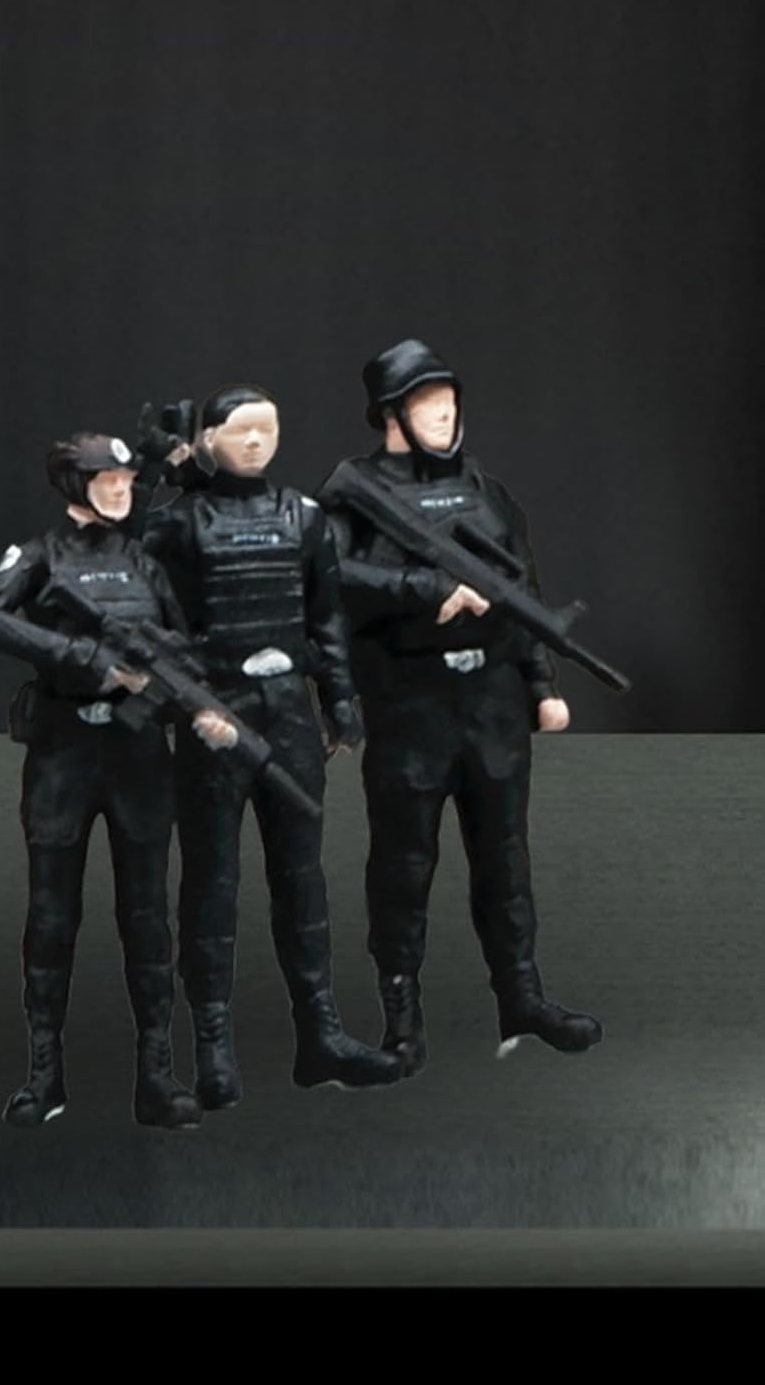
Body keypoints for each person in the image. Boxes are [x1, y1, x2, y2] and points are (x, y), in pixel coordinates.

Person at [317, 338, 603, 1074]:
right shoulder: (353, 495)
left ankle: (522, 997)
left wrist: (542, 685)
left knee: (505, 859)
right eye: (426, 404)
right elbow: (327, 580)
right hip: (411, 703)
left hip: (493, 703)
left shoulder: (485, 489)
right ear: (390, 415)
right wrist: (422, 592)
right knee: (404, 866)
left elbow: (523, 589)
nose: (443, 415)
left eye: (448, 402)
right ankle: (401, 1017)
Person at [137, 388, 404, 1106]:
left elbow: (326, 616)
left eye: (267, 429)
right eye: (239, 430)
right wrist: (160, 465)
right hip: (215, 711)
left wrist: (340, 700)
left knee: (302, 876)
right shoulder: (180, 520)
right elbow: (122, 556)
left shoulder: (302, 516)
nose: (255, 441)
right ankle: (214, 1048)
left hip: (289, 711)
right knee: (212, 880)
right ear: (209, 438)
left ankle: (320, 1034)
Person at [0, 433, 238, 1131]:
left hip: (137, 753)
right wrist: (83, 657)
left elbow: (183, 648)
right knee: (51, 917)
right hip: (64, 750)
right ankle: (43, 1076)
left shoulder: (144, 562)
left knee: (147, 917)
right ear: (73, 484)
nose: (121, 489)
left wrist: (199, 706)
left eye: (125, 479)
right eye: (106, 479)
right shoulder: (40, 556)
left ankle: (157, 1076)